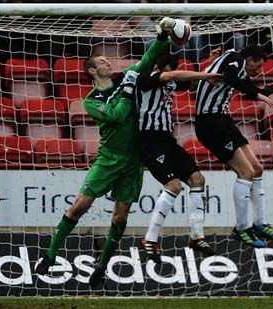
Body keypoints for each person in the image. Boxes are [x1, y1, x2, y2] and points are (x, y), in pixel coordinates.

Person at [35, 17, 175, 288]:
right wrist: (127, 90)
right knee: (80, 206)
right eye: (101, 62)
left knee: (120, 217)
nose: (107, 63)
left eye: (107, 61)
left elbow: (145, 62)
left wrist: (160, 39)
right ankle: (51, 255)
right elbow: (117, 114)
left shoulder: (125, 79)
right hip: (108, 158)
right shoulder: (90, 100)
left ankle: (101, 267)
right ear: (91, 71)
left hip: (134, 162)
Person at [195, 45, 273, 248]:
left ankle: (260, 224)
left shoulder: (237, 69)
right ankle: (242, 228)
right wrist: (257, 95)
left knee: (257, 169)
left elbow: (246, 86)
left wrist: (264, 92)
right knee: (246, 172)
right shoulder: (233, 58)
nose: (258, 71)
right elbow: (230, 78)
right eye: (258, 66)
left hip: (222, 121)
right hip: (210, 123)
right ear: (249, 59)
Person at [136, 53, 221, 263]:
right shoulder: (145, 78)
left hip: (167, 140)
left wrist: (206, 63)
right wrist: (202, 73)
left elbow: (189, 85)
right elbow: (172, 75)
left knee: (197, 180)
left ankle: (196, 236)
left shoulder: (170, 83)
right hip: (149, 141)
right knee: (173, 186)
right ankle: (150, 237)